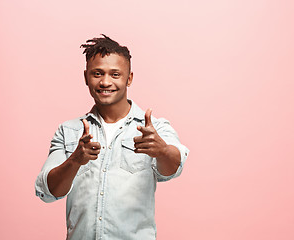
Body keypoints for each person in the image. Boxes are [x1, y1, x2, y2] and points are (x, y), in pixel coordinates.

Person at [35, 34, 189, 240]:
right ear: (86, 77)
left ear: (129, 78)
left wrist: (162, 151)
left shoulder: (154, 128)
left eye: (115, 74)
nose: (105, 82)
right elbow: (48, 191)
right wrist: (75, 161)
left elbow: (174, 168)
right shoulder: (69, 131)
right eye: (97, 73)